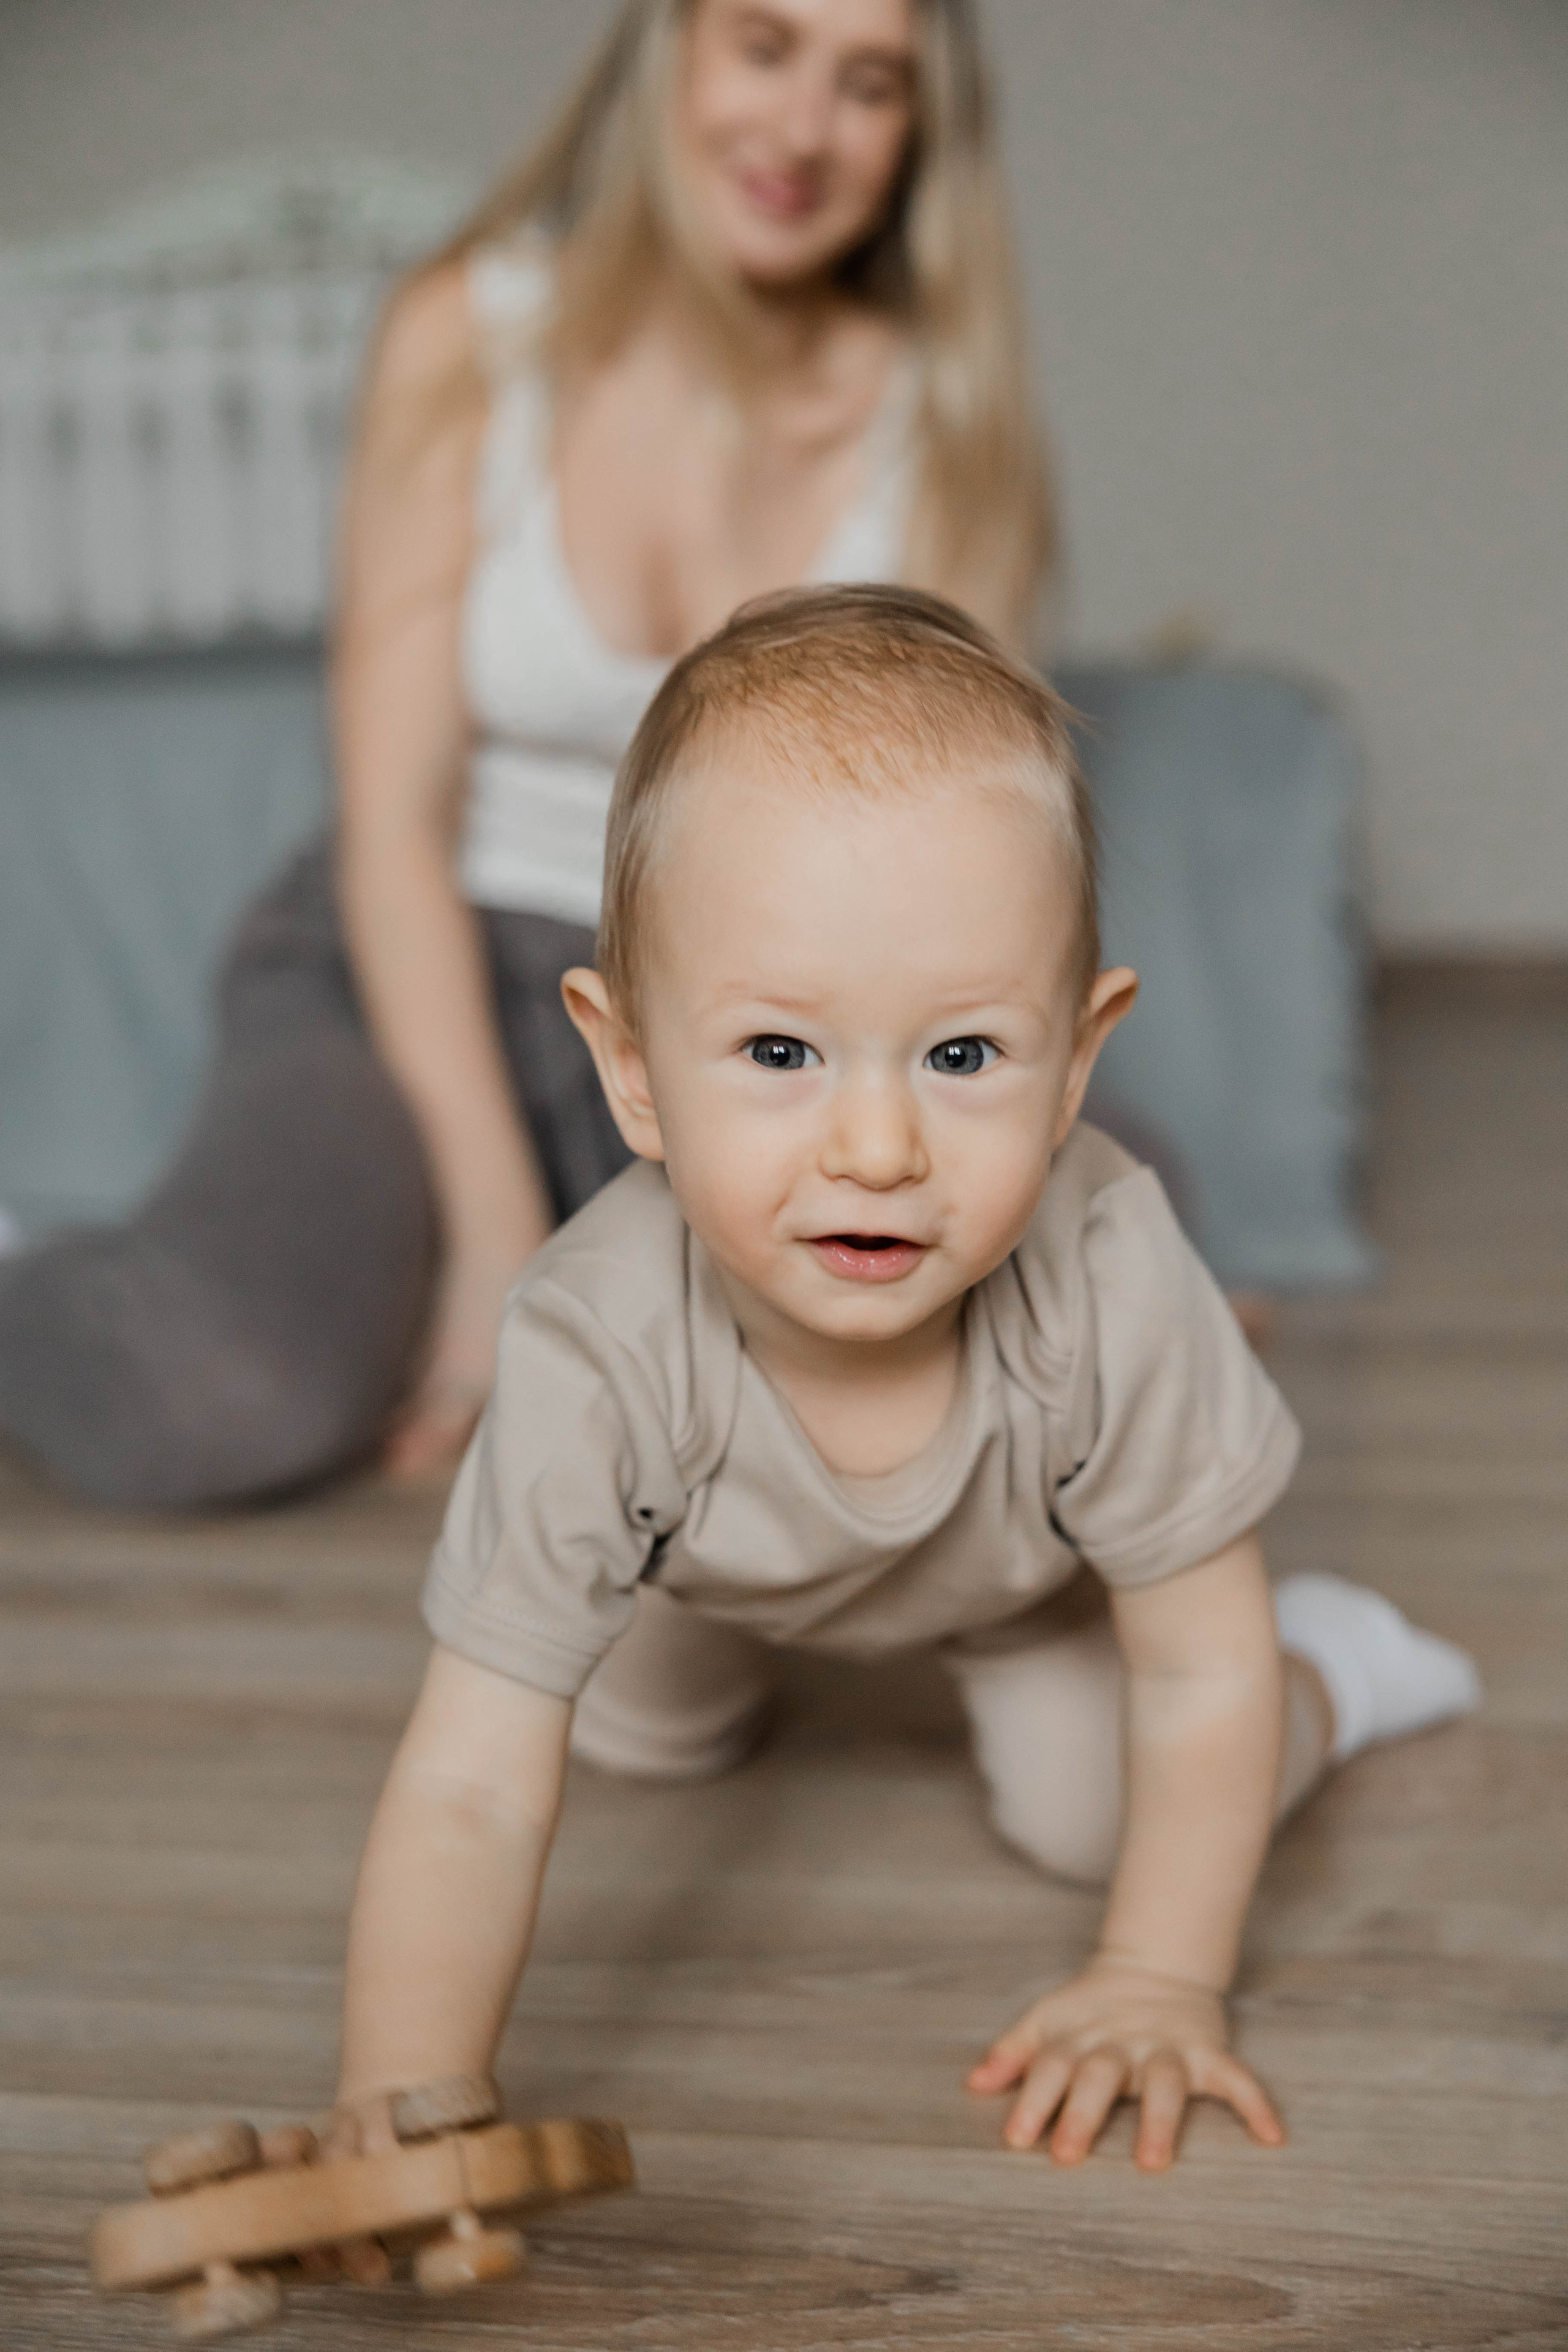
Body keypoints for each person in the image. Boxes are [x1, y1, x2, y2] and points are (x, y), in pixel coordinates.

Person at [324, 588, 1479, 2185]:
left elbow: (1194, 1669)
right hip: (697, 1565)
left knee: (1101, 1814)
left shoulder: (1109, 1272)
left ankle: (1339, 1669)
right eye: (782, 1055)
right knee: (615, 1733)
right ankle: (718, 1667)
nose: (877, 1152)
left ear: (1077, 1063)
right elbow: (464, 1778)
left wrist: (1158, 1976)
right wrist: (407, 2089)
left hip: (1026, 1582)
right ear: (634, 1068)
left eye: (960, 1056)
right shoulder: (589, 1339)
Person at [0, 0, 1051, 1507]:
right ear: (669, 50)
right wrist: (496, 1245)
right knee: (223, 1398)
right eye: (765, 47)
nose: (804, 129)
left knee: (1086, 1257)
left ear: (914, 136)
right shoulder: (470, 334)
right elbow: (393, 827)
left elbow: (945, 877)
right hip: (425, 958)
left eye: (868, 85)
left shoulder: (940, 411)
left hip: (749, 1017)